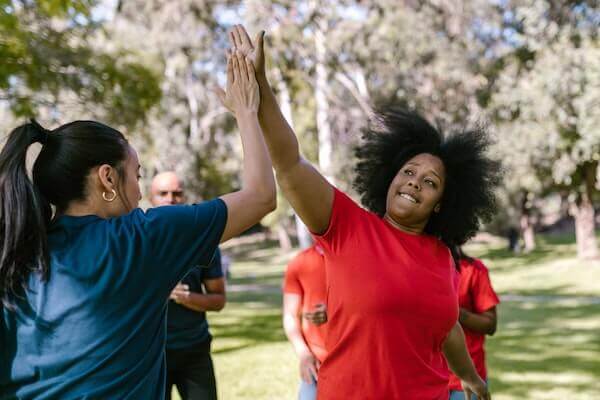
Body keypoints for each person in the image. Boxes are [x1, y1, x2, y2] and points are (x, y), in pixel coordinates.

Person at [227, 25, 501, 399]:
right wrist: (261, 90)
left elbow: (446, 325)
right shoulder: (347, 225)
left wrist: (470, 377)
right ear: (390, 177)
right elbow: (290, 163)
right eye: (408, 172)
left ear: (441, 203)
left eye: (430, 181)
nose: (415, 182)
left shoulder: (441, 257)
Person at [0, 52, 275, 399]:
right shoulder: (141, 240)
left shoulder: (13, 252)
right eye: (137, 175)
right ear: (107, 178)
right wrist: (247, 111)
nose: (140, 190)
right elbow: (262, 195)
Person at [150, 172, 226, 400]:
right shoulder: (136, 240)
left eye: (177, 193)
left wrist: (186, 297)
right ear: (150, 197)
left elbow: (219, 300)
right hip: (152, 356)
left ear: (185, 197)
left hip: (195, 351)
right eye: (163, 193)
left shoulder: (203, 242)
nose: (170, 199)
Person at [449, 247, 500, 400]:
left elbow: (490, 324)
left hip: (467, 379)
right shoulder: (420, 267)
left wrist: (452, 311)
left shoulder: (473, 269)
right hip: (427, 377)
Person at [282, 243, 328, 400]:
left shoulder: (359, 256)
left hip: (358, 364)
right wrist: (304, 354)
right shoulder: (299, 262)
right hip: (316, 365)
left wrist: (337, 311)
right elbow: (290, 315)